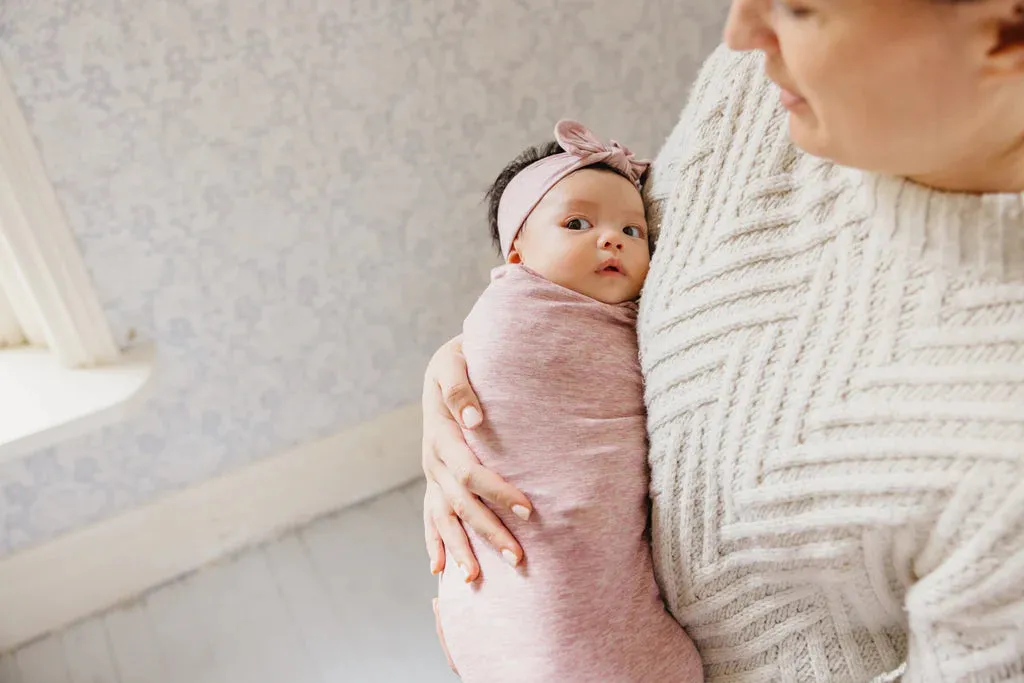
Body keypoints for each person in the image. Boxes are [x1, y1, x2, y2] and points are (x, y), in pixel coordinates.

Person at [421, 1, 1024, 681]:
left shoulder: (1003, 464)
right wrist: (473, 377)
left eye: (800, 8)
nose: (739, 30)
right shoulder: (762, 86)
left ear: (1006, 31)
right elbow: (613, 280)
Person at [434, 119, 702, 682]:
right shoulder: (514, 311)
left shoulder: (641, 316)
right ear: (516, 254)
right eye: (577, 223)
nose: (613, 240)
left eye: (635, 232)